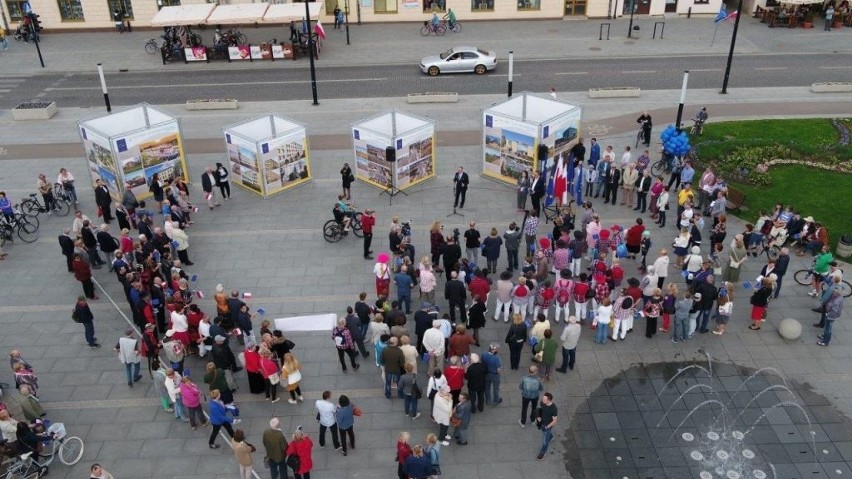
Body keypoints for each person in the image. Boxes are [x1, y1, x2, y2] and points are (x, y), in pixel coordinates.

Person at [535, 392, 558, 460]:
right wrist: (539, 416)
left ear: (549, 400)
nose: (542, 400)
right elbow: (541, 410)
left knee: (545, 441)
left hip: (547, 426)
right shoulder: (543, 403)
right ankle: (551, 437)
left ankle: (543, 452)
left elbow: (554, 421)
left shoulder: (553, 409)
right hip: (542, 423)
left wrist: (547, 426)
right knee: (546, 434)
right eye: (543, 398)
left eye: (544, 399)